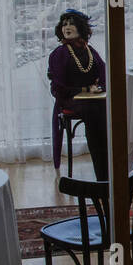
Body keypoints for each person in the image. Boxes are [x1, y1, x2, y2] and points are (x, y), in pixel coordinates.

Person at [48, 9, 108, 180]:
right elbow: (58, 88)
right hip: (70, 99)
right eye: (64, 24)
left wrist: (100, 87)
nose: (67, 27)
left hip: (93, 98)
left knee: (108, 106)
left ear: (80, 28)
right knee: (94, 110)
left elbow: (104, 74)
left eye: (71, 23)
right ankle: (102, 173)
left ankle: (113, 161)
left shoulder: (90, 51)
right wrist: (85, 90)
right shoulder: (59, 54)